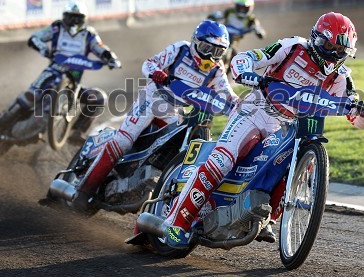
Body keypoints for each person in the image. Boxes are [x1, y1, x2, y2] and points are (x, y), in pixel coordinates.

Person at [162, 12, 364, 248]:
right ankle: (176, 223)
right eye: (328, 45)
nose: (332, 53)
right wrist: (247, 74)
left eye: (339, 50)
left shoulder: (341, 78)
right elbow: (247, 59)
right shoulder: (292, 46)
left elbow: (353, 115)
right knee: (222, 160)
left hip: (285, 127)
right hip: (256, 109)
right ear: (316, 38)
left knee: (292, 166)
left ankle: (265, 217)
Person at [72, 19, 239, 207]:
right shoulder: (180, 49)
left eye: (218, 51)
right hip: (152, 98)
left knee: (171, 148)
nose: (211, 56)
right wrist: (158, 74)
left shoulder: (217, 70)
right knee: (123, 141)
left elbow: (228, 94)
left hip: (175, 111)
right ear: (196, 42)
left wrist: (240, 106)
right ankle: (83, 191)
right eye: (207, 48)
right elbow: (149, 64)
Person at [0, 0, 121, 143]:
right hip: (51, 73)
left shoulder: (89, 34)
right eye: (70, 17)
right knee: (29, 96)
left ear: (84, 19)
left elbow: (100, 47)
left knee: (98, 98)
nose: (73, 22)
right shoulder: (57, 28)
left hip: (73, 83)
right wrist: (44, 50)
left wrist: (111, 59)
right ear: (64, 17)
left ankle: (77, 132)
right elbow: (35, 37)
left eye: (78, 18)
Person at [208, 0, 266, 72]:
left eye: (244, 8)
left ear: (250, 8)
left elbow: (259, 28)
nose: (241, 10)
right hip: (222, 36)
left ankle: (229, 74)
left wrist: (258, 31)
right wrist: (215, 16)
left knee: (238, 58)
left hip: (234, 42)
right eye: (240, 7)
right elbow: (220, 15)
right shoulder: (230, 11)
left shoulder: (251, 19)